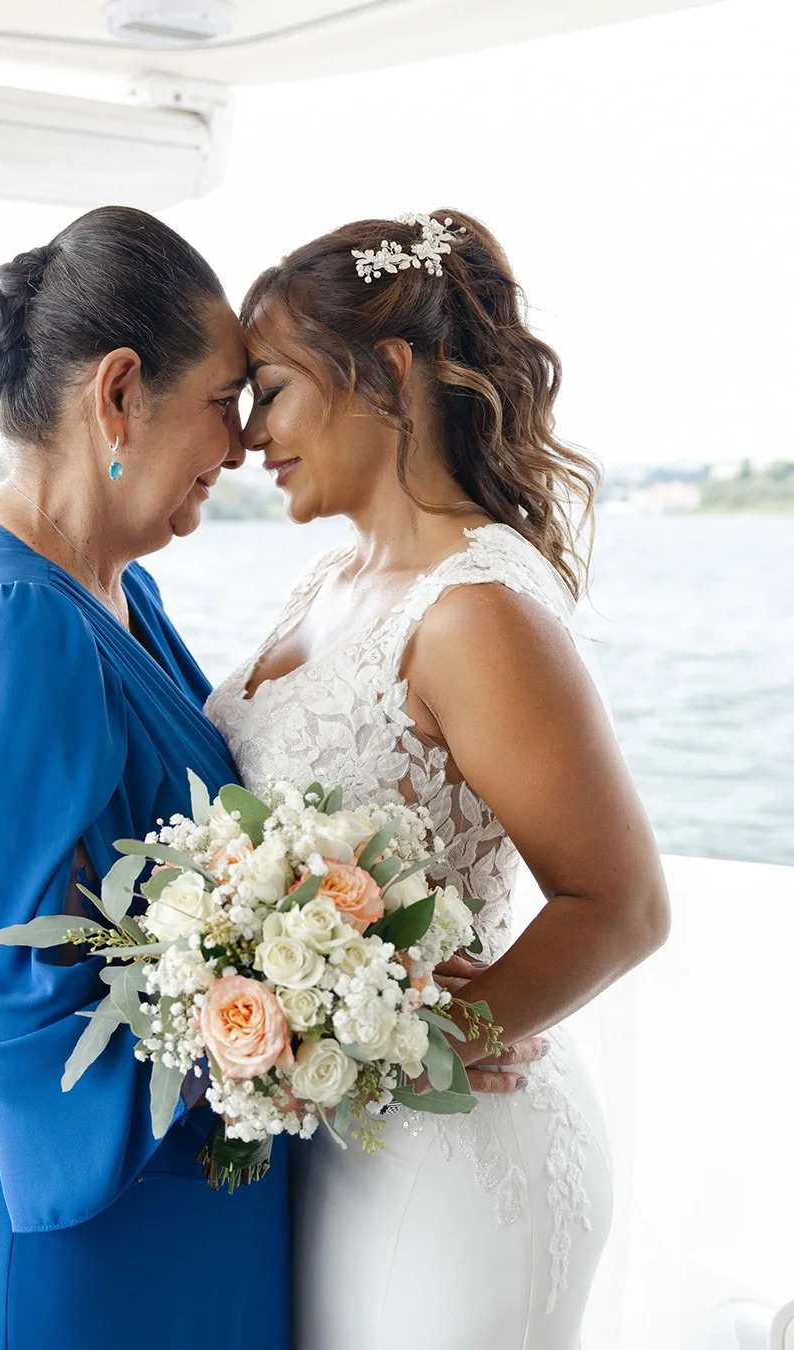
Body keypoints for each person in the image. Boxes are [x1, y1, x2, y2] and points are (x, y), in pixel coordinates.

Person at [207, 210, 670, 1349]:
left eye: (271, 390)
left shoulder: (474, 613)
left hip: (451, 1166)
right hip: (341, 1151)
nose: (250, 434)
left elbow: (622, 902)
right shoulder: (330, 582)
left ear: (387, 371)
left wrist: (426, 1036)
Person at [0, 205, 290, 1349]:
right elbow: (18, 985)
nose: (244, 444)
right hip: (40, 1217)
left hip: (131, 1200)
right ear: (120, 393)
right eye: (225, 401)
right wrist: (302, 1025)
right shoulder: (14, 623)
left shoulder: (113, 585)